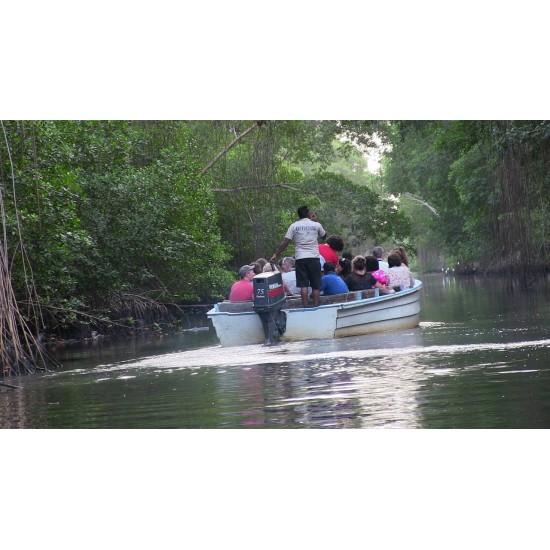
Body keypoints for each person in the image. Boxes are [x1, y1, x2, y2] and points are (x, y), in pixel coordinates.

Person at [270, 205, 326, 307]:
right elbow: (324, 236)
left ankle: (305, 306)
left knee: (303, 285)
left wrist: (276, 254)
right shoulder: (316, 225)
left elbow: (285, 242)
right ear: (308, 214)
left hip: (300, 258)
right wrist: (315, 221)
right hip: (314, 258)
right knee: (315, 285)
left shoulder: (294, 226)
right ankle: (317, 306)